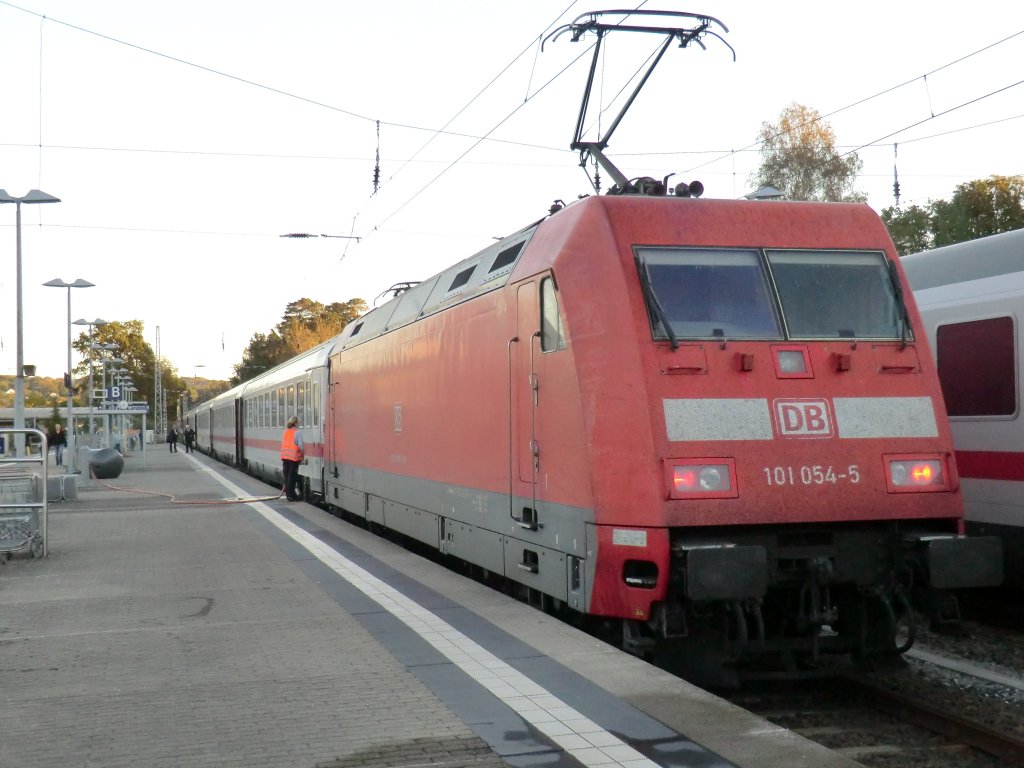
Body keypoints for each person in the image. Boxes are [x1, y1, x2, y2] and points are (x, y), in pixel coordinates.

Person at [280, 416, 305, 501]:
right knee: (292, 477)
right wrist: (302, 456)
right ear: (296, 423)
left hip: (285, 457)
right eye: (298, 422)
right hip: (293, 458)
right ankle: (291, 496)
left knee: (286, 476)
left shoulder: (285, 432)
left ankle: (289, 495)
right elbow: (301, 446)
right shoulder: (297, 433)